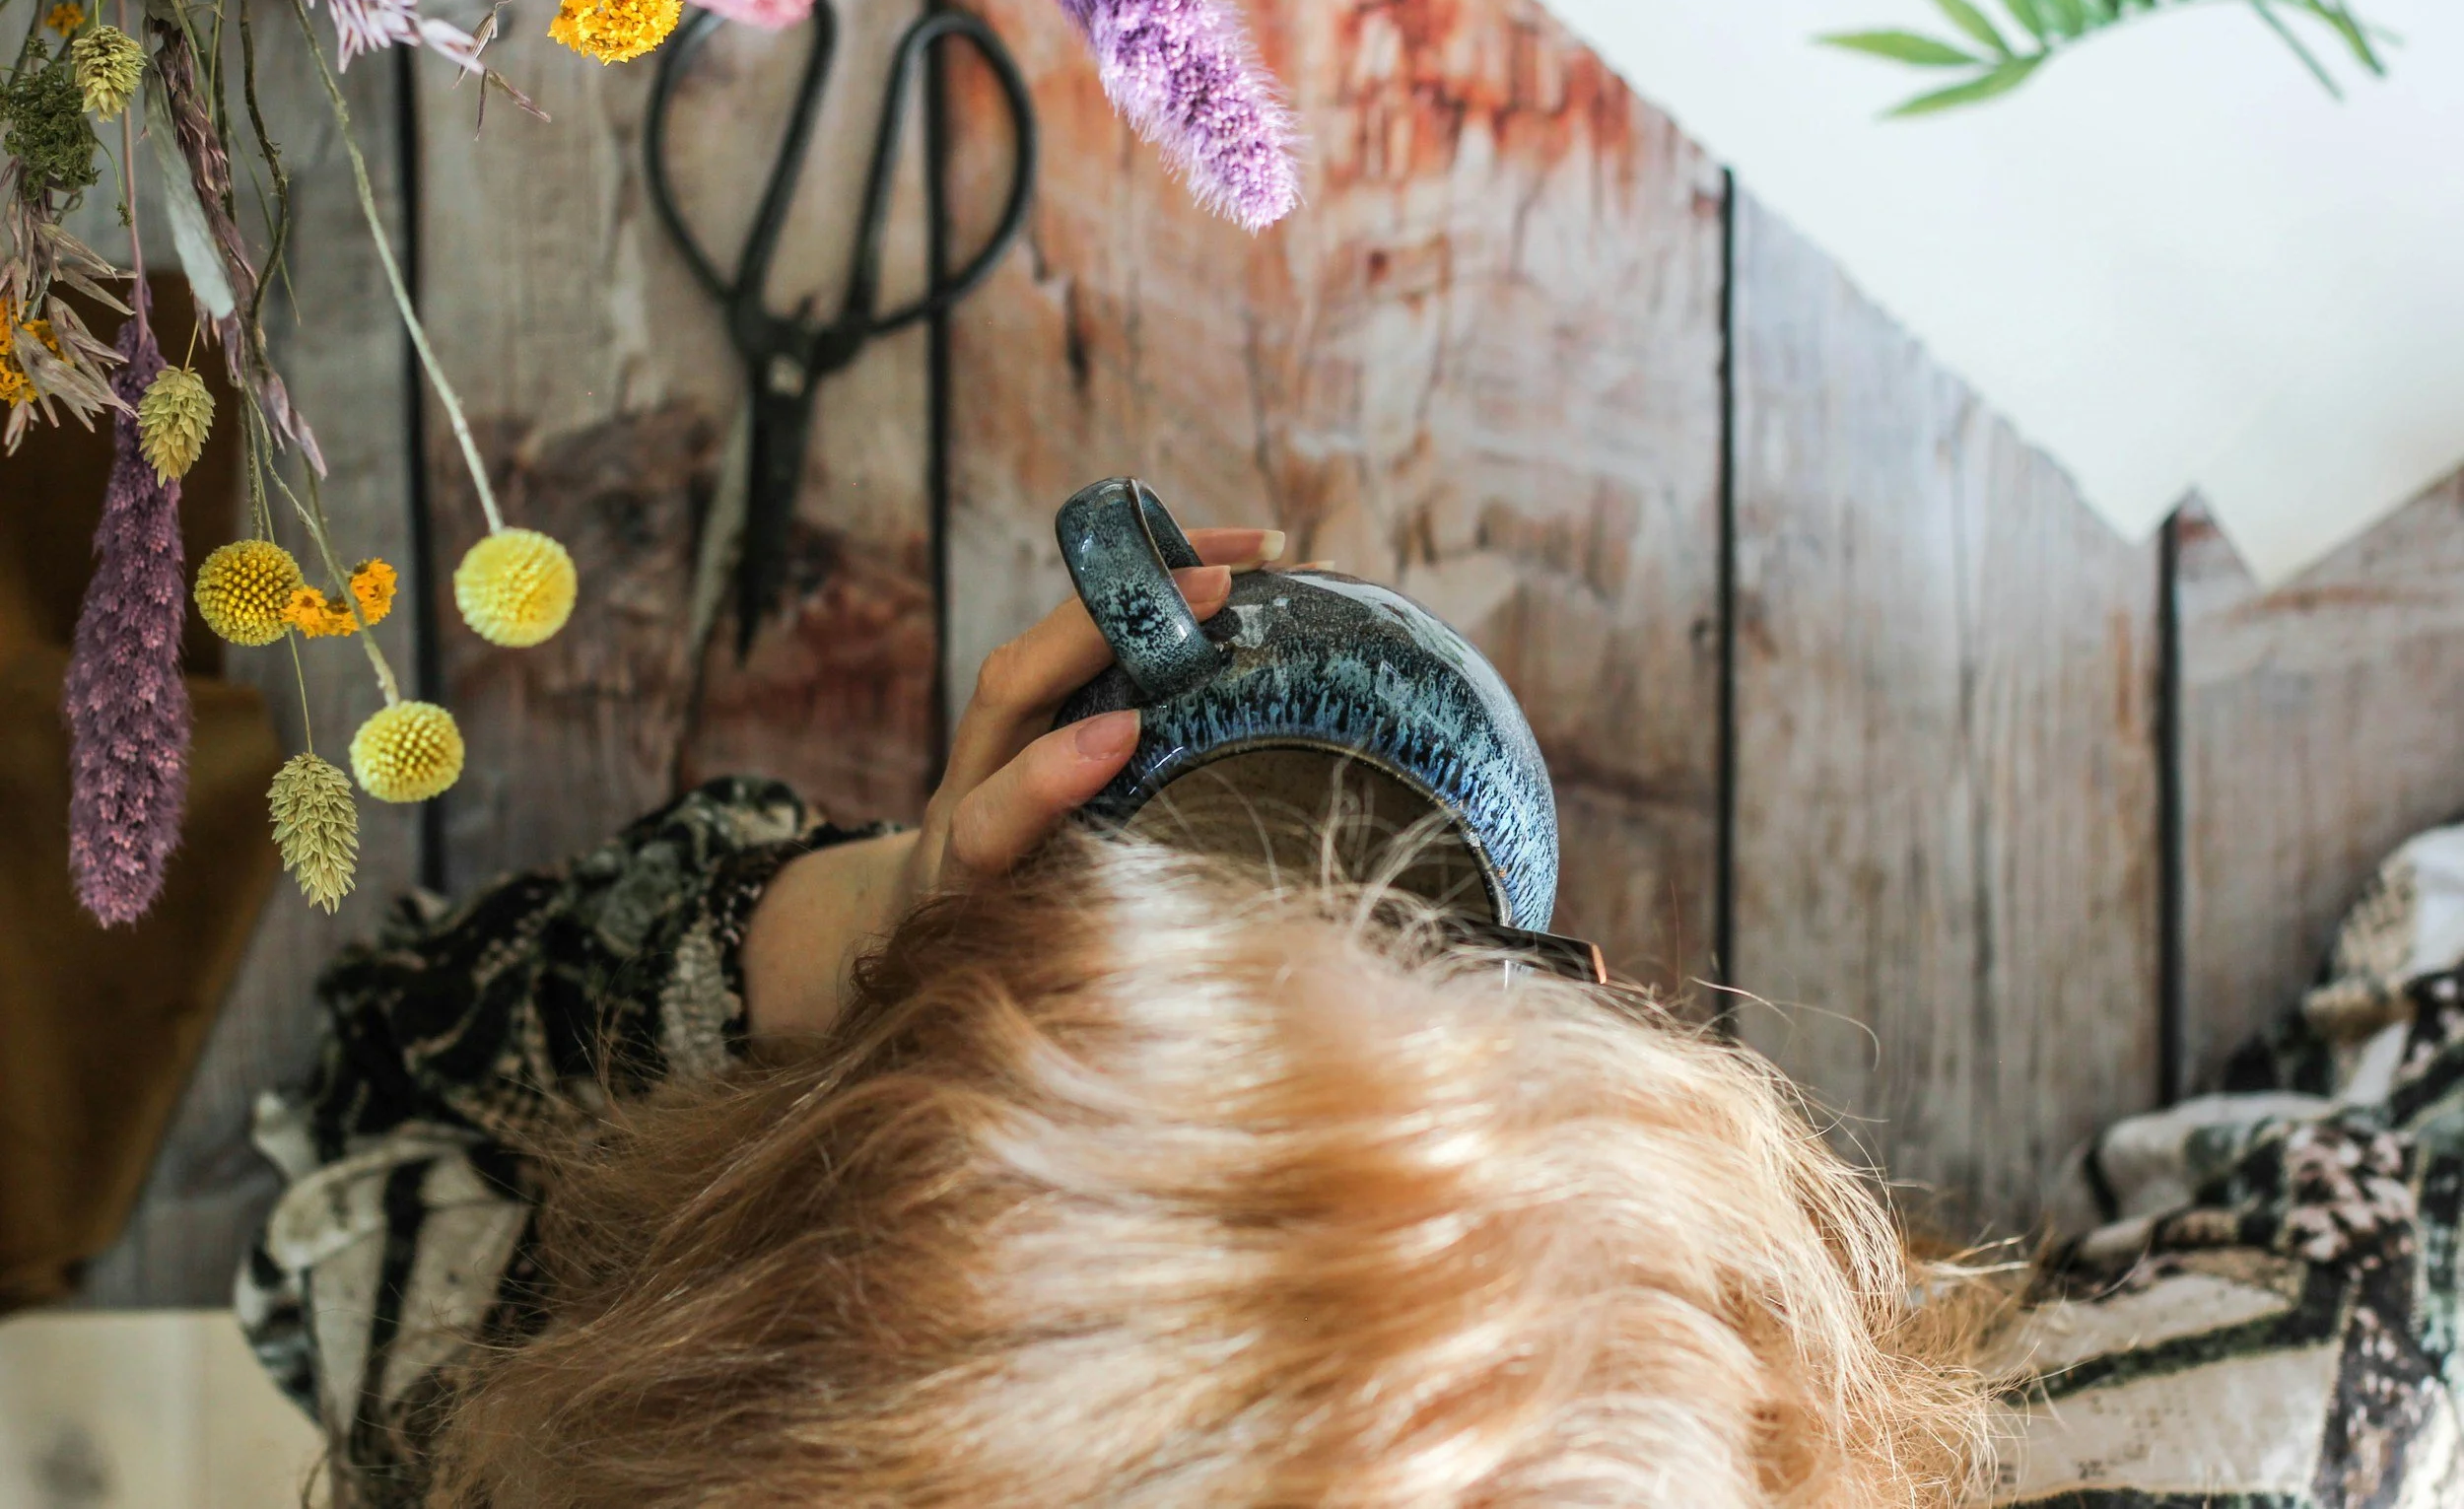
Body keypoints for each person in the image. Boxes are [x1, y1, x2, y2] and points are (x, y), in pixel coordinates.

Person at [238, 525, 2464, 1509]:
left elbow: (377, 1075)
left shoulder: (492, 1381)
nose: (1583, 1007)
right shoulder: (2283, 1417)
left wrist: (845, 944)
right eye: (1517, 994)